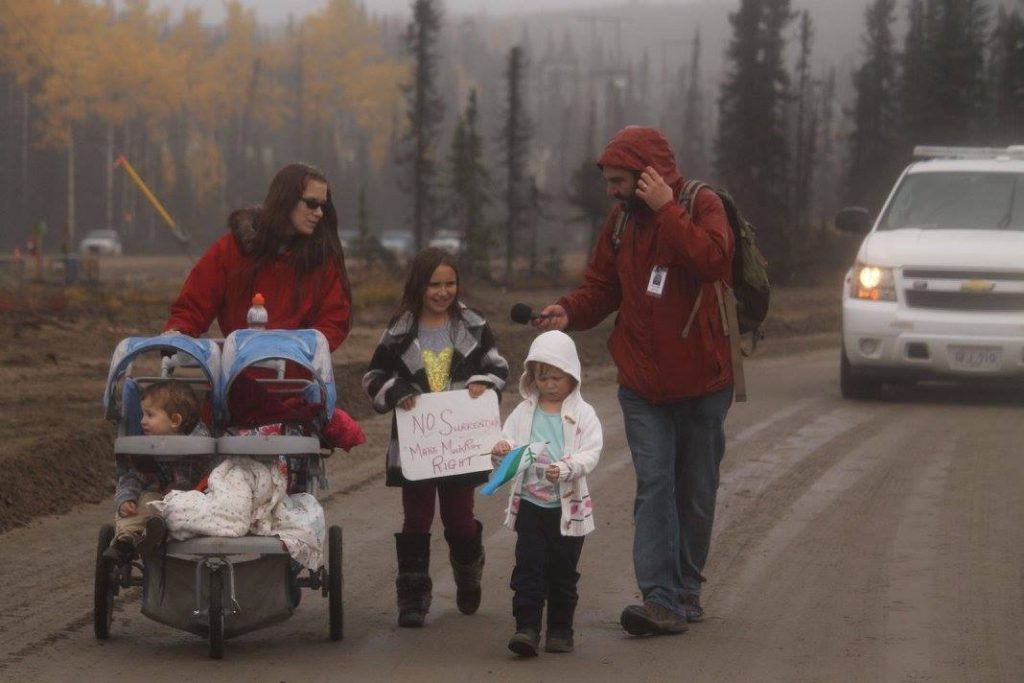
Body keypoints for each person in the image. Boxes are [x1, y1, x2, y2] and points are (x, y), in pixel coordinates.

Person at [533, 126, 735, 636]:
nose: (611, 192)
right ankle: (660, 599)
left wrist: (668, 211)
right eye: (608, 181)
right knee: (655, 486)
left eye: (619, 181)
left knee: (695, 491)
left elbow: (714, 261)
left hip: (704, 384)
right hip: (642, 386)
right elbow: (603, 287)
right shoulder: (621, 222)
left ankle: (686, 591)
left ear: (648, 175)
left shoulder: (702, 204)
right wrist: (569, 311)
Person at [362, 247, 509, 628]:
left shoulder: (474, 325)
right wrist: (396, 390)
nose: (443, 292)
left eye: (450, 284)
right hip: (417, 446)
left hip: (461, 445)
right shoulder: (399, 330)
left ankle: (468, 570)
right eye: (434, 285)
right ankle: (412, 596)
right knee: (416, 519)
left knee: (459, 520)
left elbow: (498, 368)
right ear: (418, 285)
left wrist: (483, 383)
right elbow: (373, 377)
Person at [490, 330, 602, 657]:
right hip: (530, 505)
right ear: (531, 377)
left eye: (557, 377)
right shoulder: (524, 412)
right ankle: (526, 628)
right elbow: (509, 441)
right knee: (529, 566)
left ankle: (560, 630)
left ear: (572, 375)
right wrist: (502, 448)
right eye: (542, 377)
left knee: (563, 572)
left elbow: (591, 452)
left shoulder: (583, 414)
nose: (550, 384)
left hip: (567, 510)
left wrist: (566, 468)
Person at [163, 162, 351, 351]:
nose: (319, 213)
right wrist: (178, 333)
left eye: (323, 206)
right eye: (311, 203)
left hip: (298, 367)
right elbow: (193, 305)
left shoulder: (322, 259)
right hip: (238, 366)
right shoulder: (231, 250)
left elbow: (334, 319)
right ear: (286, 199)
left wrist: (297, 350)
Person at [103, 379, 211, 562]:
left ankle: (154, 530)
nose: (142, 421)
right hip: (157, 503)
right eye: (142, 415)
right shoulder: (146, 449)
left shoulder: (199, 442)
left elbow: (211, 470)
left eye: (149, 415)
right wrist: (126, 499)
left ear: (175, 420)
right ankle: (127, 540)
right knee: (142, 504)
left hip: (192, 501)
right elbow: (133, 476)